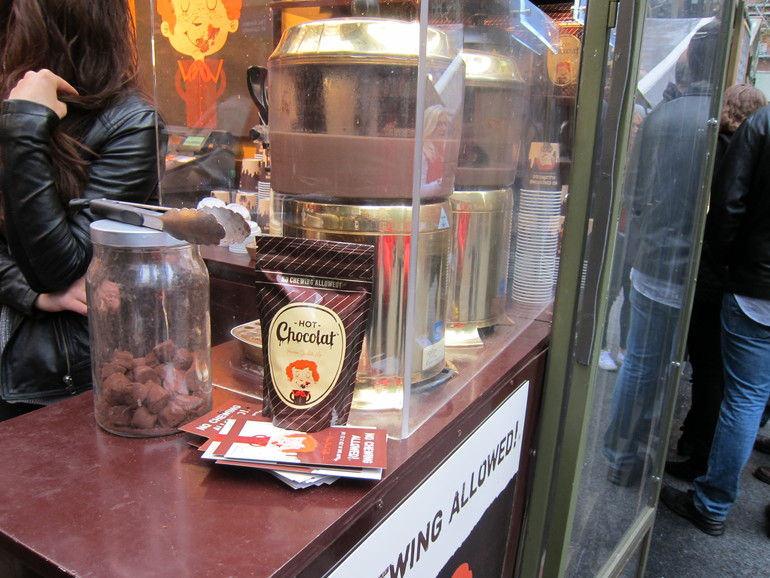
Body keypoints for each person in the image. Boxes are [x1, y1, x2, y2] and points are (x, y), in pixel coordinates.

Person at [0, 0, 165, 421]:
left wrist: (24, 127)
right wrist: (31, 294)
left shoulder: (129, 121)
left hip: (49, 371)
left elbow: (60, 267)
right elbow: (43, 281)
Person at [602, 22, 720, 486]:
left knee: (640, 362)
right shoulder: (720, 122)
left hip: (651, 261)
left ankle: (619, 454)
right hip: (693, 271)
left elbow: (633, 191)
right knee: (668, 366)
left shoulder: (659, 116)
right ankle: (645, 452)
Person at [660, 100, 770, 536]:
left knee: (743, 396)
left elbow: (728, 203)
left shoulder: (761, 126)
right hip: (754, 282)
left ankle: (712, 503)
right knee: (747, 394)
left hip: (755, 287)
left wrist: (727, 264)